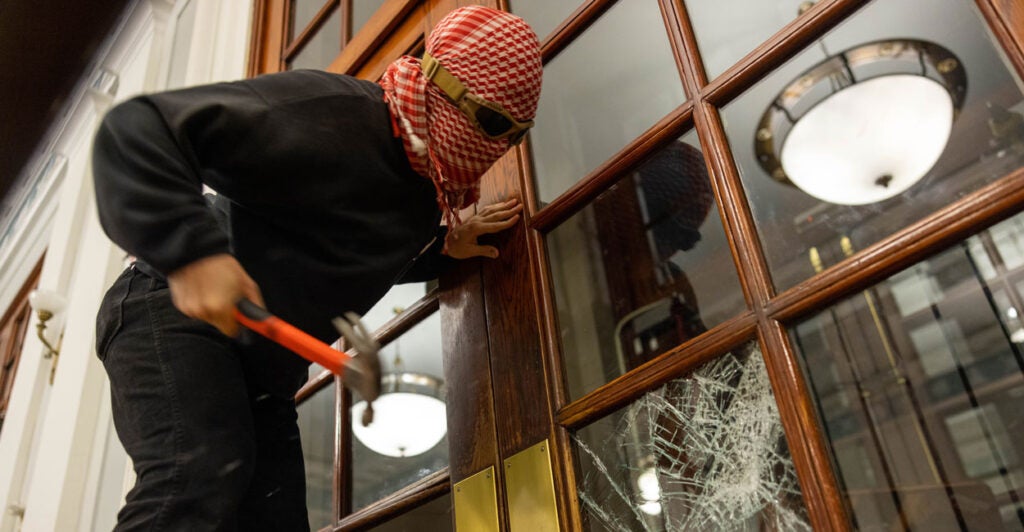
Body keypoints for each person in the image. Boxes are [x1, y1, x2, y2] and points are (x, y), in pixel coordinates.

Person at [91, 6, 542, 530]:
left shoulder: (425, 190)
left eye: (514, 136)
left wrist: (444, 249)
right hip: (166, 305)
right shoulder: (331, 112)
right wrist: (192, 254)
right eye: (491, 123)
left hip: (263, 370)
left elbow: (343, 246)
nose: (497, 147)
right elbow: (137, 130)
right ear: (441, 84)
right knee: (193, 484)